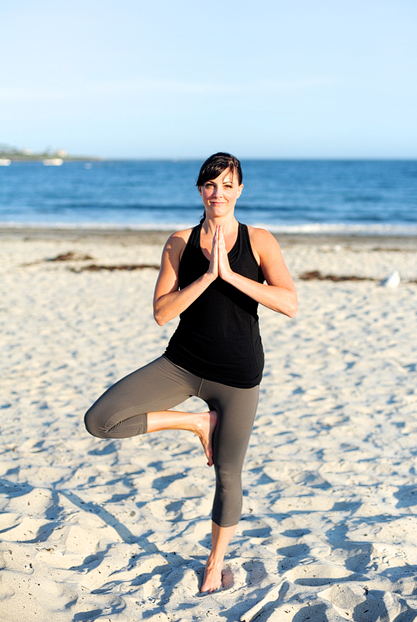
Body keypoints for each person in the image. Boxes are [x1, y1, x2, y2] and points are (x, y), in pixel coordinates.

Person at [84, 152, 297, 593]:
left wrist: (230, 275)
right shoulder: (179, 242)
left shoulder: (259, 241)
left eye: (226, 185)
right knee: (100, 421)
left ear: (240, 190)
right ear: (200, 190)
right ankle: (196, 422)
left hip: (238, 375)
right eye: (209, 185)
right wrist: (204, 279)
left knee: (228, 474)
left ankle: (214, 563)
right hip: (182, 365)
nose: (218, 193)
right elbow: (162, 313)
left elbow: (289, 303)